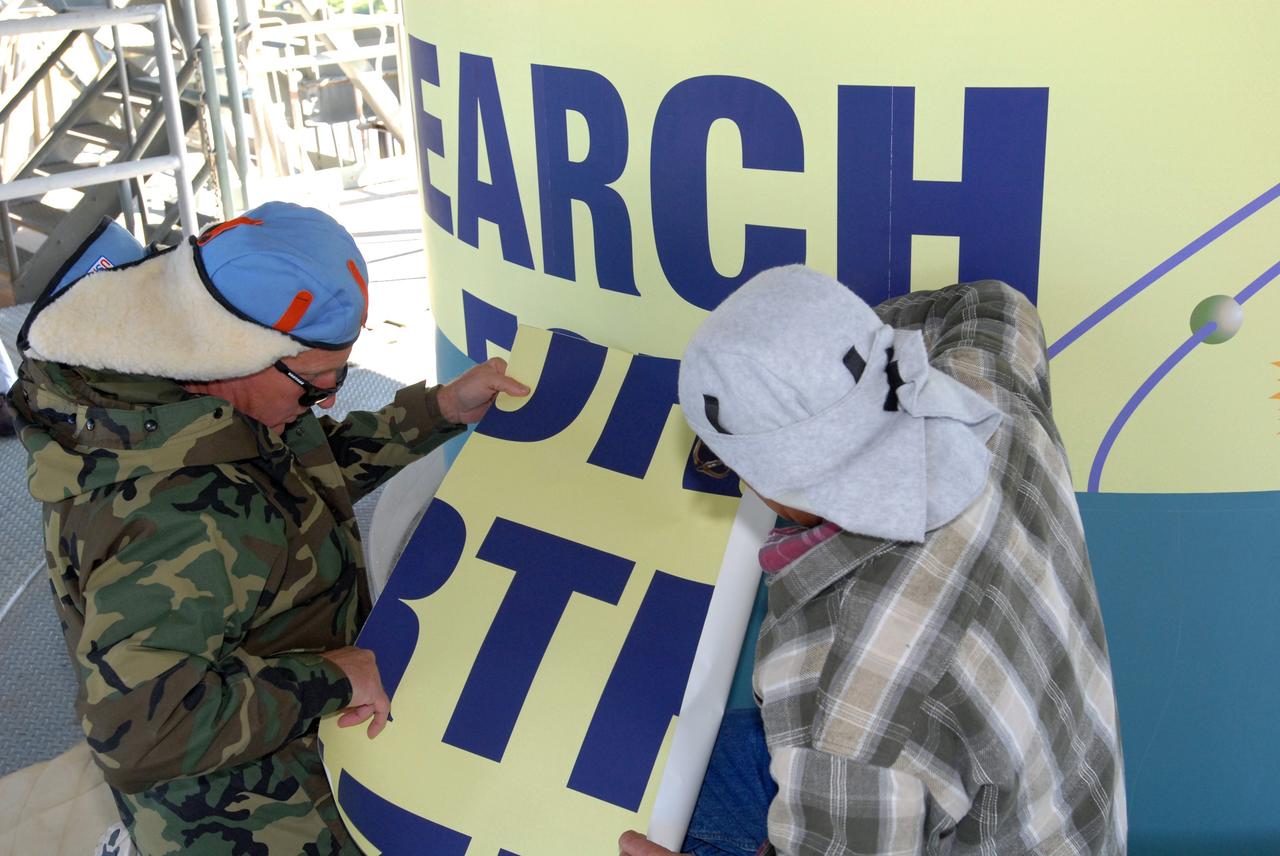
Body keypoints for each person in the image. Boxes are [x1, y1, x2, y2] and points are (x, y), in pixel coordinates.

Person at [10, 201, 528, 855]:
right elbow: (140, 734)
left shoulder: (189, 398)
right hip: (250, 820)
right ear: (232, 354)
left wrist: (438, 410)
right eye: (315, 383)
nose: (332, 397)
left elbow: (295, 481)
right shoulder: (172, 517)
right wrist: (331, 677)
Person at [621, 265, 1125, 855]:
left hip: (924, 793)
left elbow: (857, 732)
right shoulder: (989, 393)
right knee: (708, 751)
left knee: (658, 787)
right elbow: (995, 303)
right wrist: (840, 369)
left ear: (778, 476)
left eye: (724, 461)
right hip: (1056, 804)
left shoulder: (842, 698)